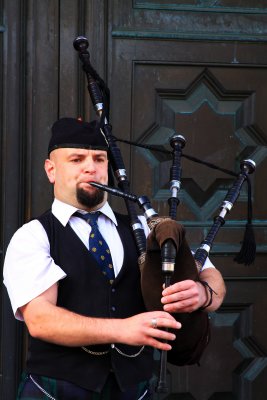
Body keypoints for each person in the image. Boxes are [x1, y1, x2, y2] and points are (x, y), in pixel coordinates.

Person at [3, 118, 226, 399]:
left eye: (99, 158)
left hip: (134, 389)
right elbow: (41, 319)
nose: (90, 167)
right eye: (76, 159)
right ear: (51, 170)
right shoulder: (34, 236)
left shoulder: (143, 227)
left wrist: (202, 294)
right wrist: (123, 330)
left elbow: (209, 274)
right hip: (58, 391)